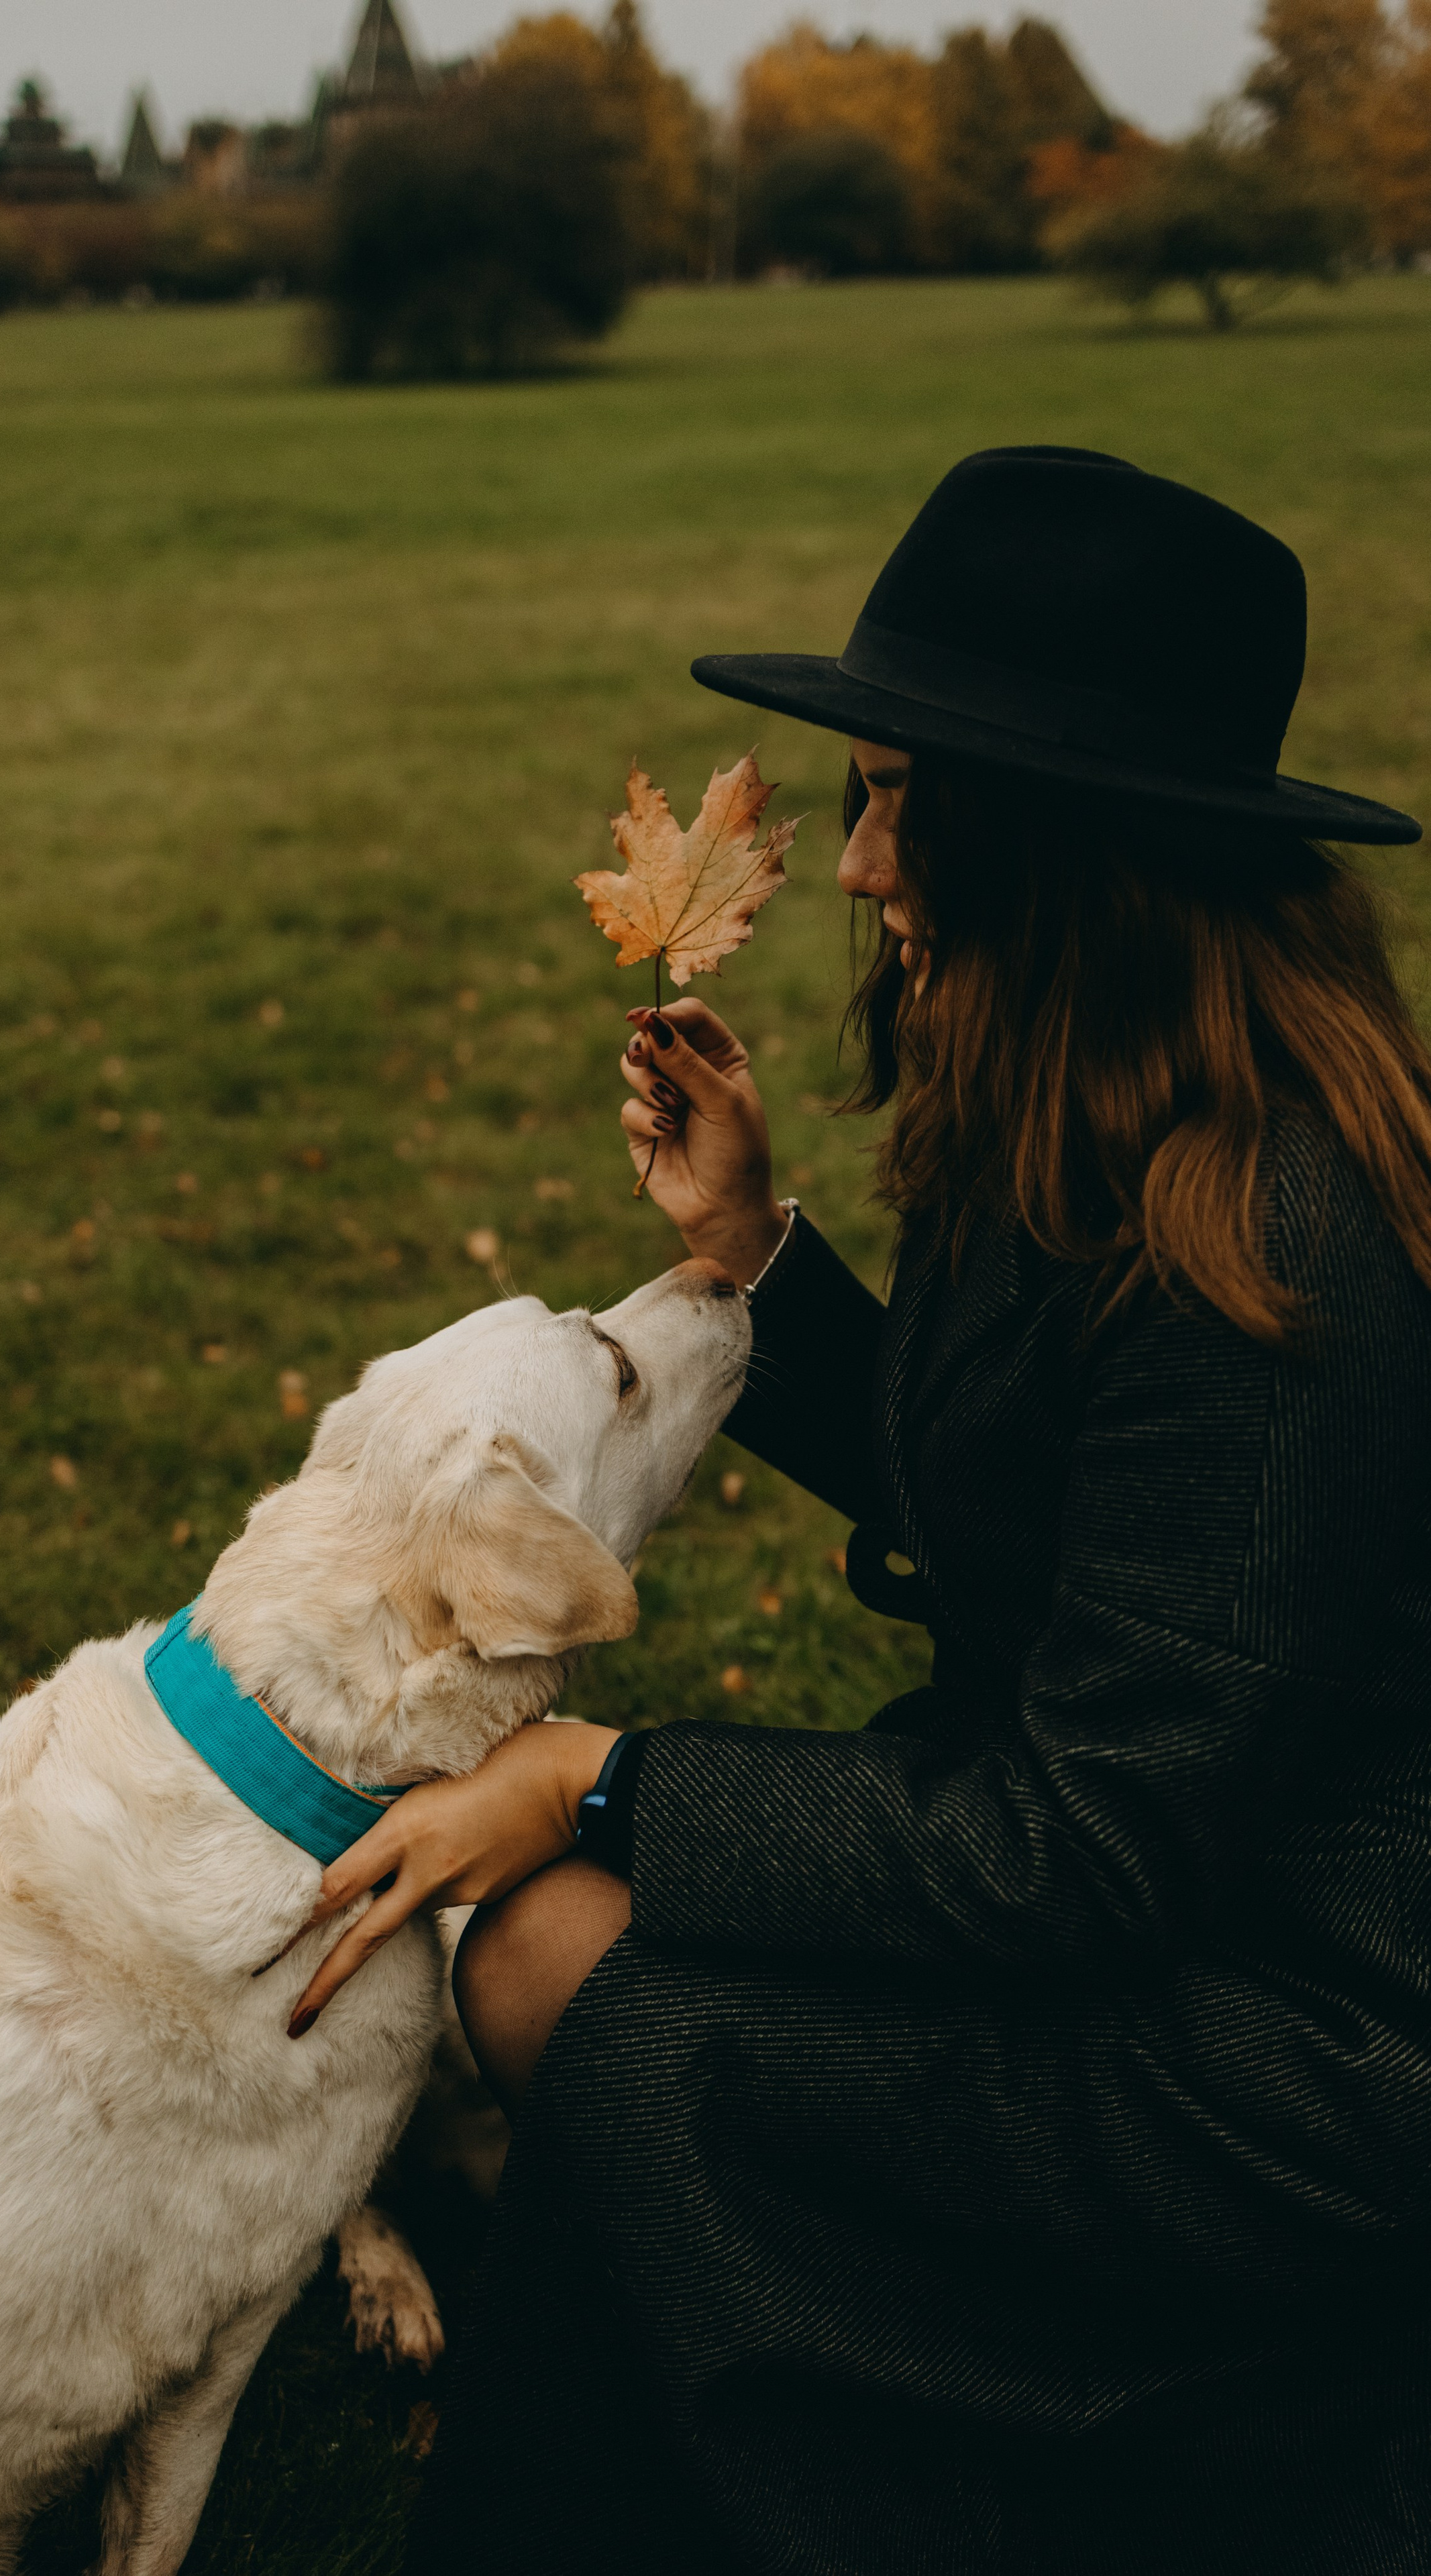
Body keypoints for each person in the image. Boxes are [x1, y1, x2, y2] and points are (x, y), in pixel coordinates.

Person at [288, 449, 1431, 2573]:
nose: (855, 861)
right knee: (547, 1957)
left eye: (899, 796)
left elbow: (1080, 1853)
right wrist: (751, 1257)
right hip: (1140, 1900)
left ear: (1064, 838)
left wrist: (596, 1770)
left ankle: (920, 2433)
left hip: (1292, 2053)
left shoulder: (1276, 1240)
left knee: (627, 2041)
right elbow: (1036, 1511)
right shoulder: (1095, 1111)